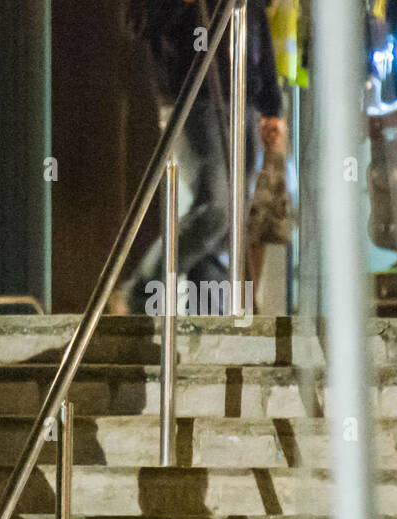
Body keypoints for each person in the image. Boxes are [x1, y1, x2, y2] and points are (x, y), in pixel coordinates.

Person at [113, 0, 285, 314]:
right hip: (192, 94)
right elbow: (138, 21)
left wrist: (272, 104)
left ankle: (209, 311)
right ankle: (140, 289)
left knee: (231, 220)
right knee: (217, 208)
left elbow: (255, 19)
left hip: (243, 97)